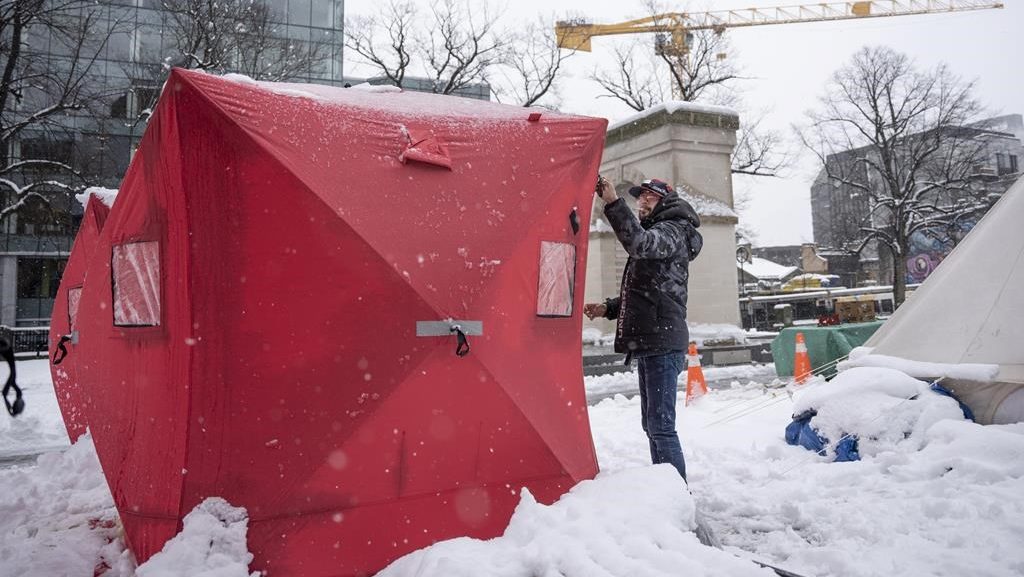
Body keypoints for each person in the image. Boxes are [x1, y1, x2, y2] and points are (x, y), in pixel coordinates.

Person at [584, 177, 702, 481]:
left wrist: (614, 203)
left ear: (665, 201)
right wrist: (609, 308)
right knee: (652, 425)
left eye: (650, 196)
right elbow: (650, 291)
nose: (642, 201)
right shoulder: (662, 232)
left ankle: (677, 492)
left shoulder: (672, 230)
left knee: (661, 427)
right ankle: (665, 487)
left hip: (662, 341)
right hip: (653, 342)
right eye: (640, 196)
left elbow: (640, 244)